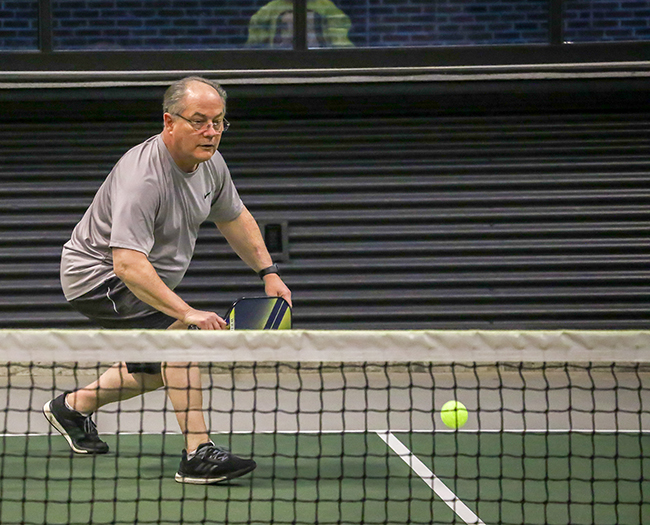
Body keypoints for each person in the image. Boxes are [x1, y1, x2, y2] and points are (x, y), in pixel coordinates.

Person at [43, 76, 292, 485]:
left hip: (136, 275)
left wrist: (268, 273)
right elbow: (126, 264)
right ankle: (198, 453)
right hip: (96, 277)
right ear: (169, 121)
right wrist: (187, 313)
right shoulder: (143, 177)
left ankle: (73, 406)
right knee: (181, 340)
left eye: (218, 122)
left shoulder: (211, 163)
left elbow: (234, 216)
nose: (210, 132)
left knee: (164, 364)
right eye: (199, 121)